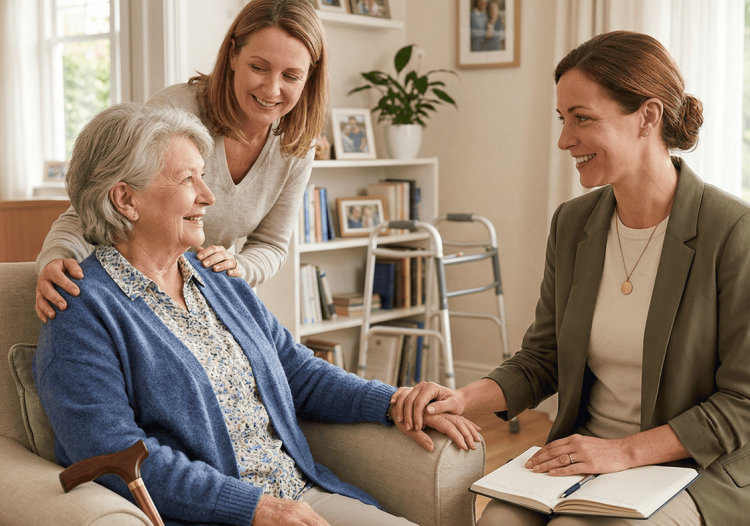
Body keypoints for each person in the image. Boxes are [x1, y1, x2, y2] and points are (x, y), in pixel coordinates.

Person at [397, 31, 750, 525]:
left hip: (700, 471)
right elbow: (543, 359)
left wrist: (623, 452)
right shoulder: (573, 223)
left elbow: (748, 403)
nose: (565, 139)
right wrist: (461, 398)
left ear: (648, 117)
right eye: (563, 120)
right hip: (585, 459)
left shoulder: (734, 230)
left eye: (582, 118)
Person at [34, 104, 481, 526]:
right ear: (126, 200)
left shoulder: (217, 277)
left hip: (297, 495)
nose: (208, 197)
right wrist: (253, 507)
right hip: (219, 514)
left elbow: (299, 373)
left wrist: (394, 402)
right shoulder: (80, 309)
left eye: (204, 176)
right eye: (189, 179)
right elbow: (112, 454)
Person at [35, 0, 323, 323]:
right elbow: (94, 204)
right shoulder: (173, 115)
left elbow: (271, 244)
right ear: (232, 55)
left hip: (210, 295)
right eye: (258, 67)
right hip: (134, 297)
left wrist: (239, 265)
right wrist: (56, 258)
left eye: (291, 76)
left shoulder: (298, 142)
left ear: (309, 78)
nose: (272, 89)